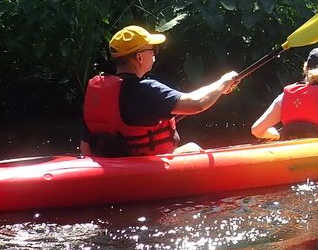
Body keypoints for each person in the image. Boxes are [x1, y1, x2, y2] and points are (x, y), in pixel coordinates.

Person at [81, 24, 238, 157]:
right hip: (142, 172)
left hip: (108, 170)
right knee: (193, 149)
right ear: (140, 57)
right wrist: (224, 82)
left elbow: (85, 145)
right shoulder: (146, 89)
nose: (155, 54)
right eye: (152, 50)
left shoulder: (99, 92)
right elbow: (197, 104)